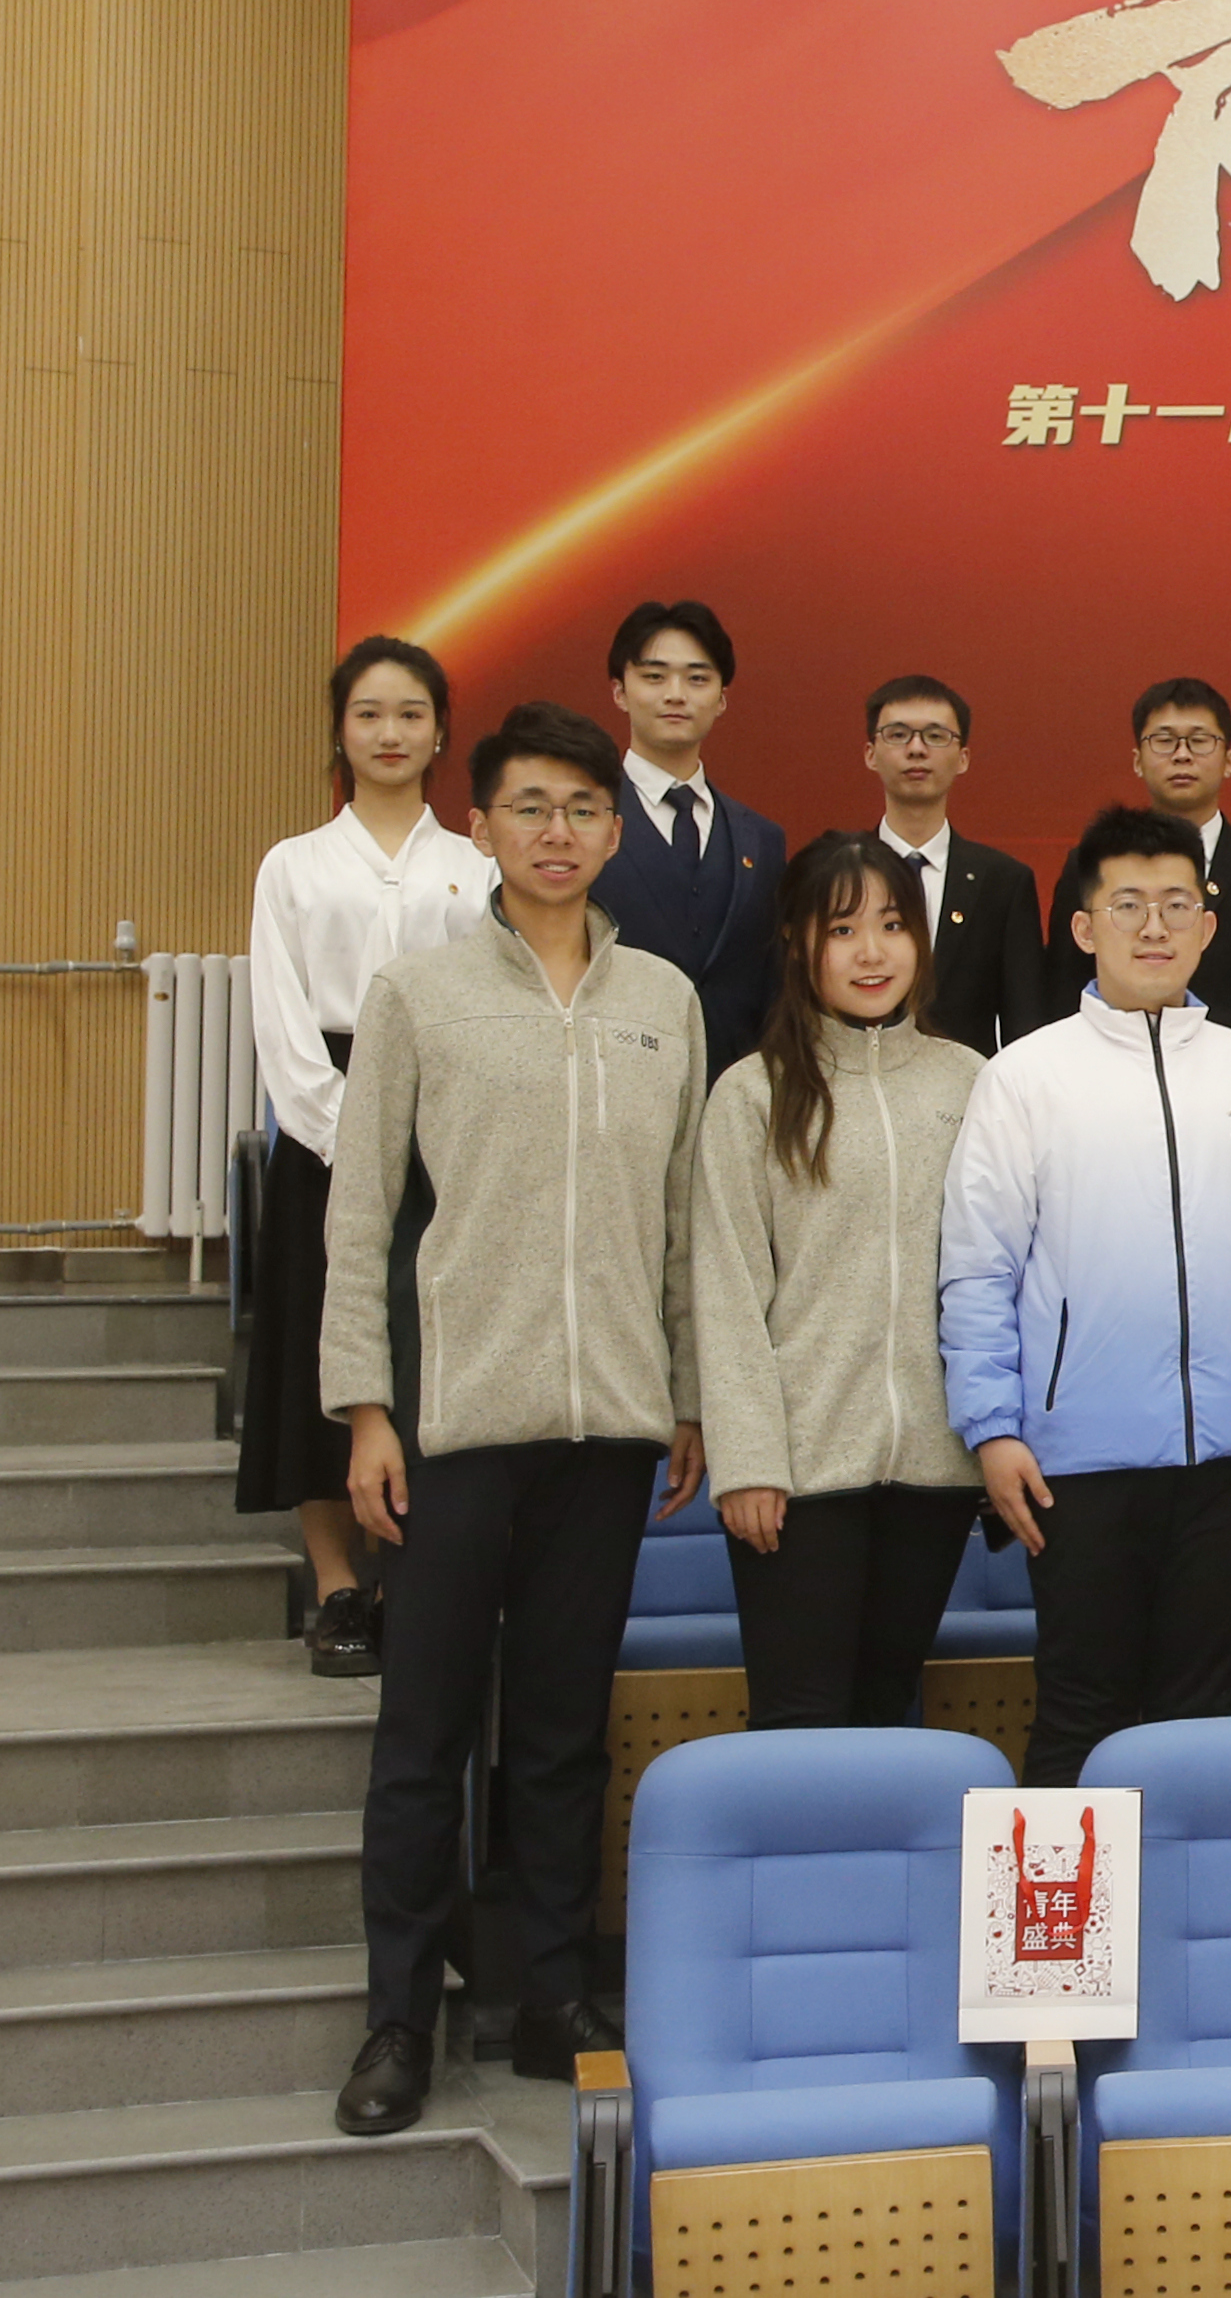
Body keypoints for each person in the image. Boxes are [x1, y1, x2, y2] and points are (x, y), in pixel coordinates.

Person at [321, 703, 706, 2137]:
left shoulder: (665, 998)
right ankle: (398, 2015)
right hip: (455, 1424)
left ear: (614, 831)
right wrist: (368, 1410)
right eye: (529, 806)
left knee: (559, 1731)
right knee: (424, 1731)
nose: (558, 832)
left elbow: (682, 1221)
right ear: (480, 825)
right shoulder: (418, 993)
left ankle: (547, 1993)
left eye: (582, 809)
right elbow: (360, 1217)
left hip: (607, 1429)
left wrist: (686, 1391)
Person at [943, 805, 1231, 1789]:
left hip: (1229, 1456)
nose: (1154, 926)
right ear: (1085, 927)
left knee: (1203, 1719)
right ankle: (1063, 1899)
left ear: (1209, 925)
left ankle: (1187, 1893)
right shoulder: (1024, 1077)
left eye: (1176, 905)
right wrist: (992, 1426)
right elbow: (979, 1268)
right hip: (1074, 1459)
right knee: (1082, 1709)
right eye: (1128, 905)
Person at [693, 832, 989, 1732]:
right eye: (843, 929)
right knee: (800, 1721)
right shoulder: (754, 1093)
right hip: (800, 1472)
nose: (872, 953)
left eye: (893, 925)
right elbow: (727, 1290)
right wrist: (749, 1461)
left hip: (935, 1466)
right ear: (797, 943)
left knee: (887, 1709)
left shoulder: (972, 1082)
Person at [240, 636, 494, 1679]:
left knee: (426, 1349)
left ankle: (409, 1581)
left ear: (440, 732)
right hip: (325, 1133)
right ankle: (338, 1584)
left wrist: (434, 1130)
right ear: (340, 732)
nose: (390, 733)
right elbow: (282, 1021)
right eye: (369, 714)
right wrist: (354, 1135)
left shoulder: (476, 865)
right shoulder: (294, 865)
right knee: (320, 1351)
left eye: (410, 714)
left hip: (452, 1130)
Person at [1050, 680, 1231, 1133]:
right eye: (1164, 741)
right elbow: (1062, 995)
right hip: (1107, 1101)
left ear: (1229, 760)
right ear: (1138, 760)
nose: (1182, 755)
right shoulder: (1091, 864)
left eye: (1200, 741)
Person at [595, 599, 784, 1074]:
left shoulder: (762, 840)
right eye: (654, 676)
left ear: (721, 699)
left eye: (697, 679)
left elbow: (772, 985)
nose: (675, 695)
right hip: (613, 1078)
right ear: (620, 691)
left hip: (734, 1085)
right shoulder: (582, 822)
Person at [865, 674, 1050, 1055]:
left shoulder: (1003, 882)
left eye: (935, 736)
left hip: (968, 1085)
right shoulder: (835, 874)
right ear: (870, 753)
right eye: (898, 735)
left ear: (963, 757)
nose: (916, 749)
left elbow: (1024, 1024)